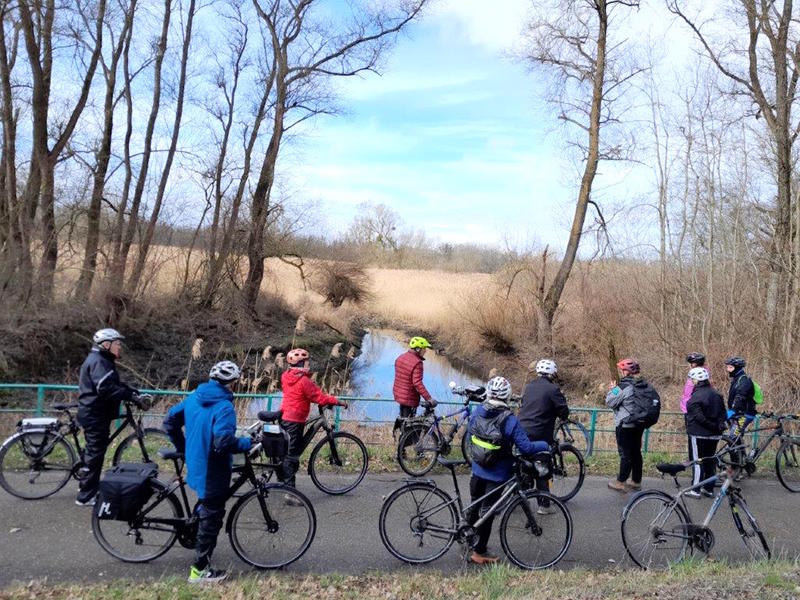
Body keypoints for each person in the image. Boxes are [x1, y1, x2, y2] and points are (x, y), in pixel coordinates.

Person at [163, 360, 252, 584]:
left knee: (206, 505)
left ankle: (197, 528)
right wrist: (246, 443)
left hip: (196, 463)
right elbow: (223, 442)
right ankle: (199, 571)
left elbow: (169, 420)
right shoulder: (224, 407)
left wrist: (183, 447)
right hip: (213, 470)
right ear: (232, 384)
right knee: (213, 517)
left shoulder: (194, 396)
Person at [466, 376, 549, 564]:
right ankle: (479, 552)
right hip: (497, 473)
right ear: (507, 395)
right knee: (487, 514)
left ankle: (467, 539)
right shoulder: (509, 419)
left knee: (475, 505)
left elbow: (470, 432)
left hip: (477, 468)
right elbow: (526, 447)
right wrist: (545, 445)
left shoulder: (478, 410)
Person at [76, 328, 141, 506]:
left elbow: (113, 383)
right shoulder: (99, 361)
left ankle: (87, 483)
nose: (120, 347)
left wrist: (129, 391)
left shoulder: (102, 360)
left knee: (94, 452)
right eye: (117, 344)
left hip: (95, 413)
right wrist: (129, 396)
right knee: (95, 454)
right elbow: (106, 388)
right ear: (106, 344)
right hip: (95, 414)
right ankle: (85, 496)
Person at [278, 348, 348, 493]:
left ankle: (280, 478)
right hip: (295, 420)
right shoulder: (304, 381)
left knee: (287, 451)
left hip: (285, 415)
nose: (309, 364)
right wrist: (338, 401)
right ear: (301, 364)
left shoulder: (286, 376)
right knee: (292, 456)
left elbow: (302, 395)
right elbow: (319, 397)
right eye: (306, 362)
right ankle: (289, 492)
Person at [518, 359, 569, 513]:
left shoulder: (529, 386)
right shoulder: (553, 389)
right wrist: (562, 415)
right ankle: (544, 505)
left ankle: (520, 496)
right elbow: (563, 411)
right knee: (542, 466)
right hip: (539, 432)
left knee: (525, 462)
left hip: (521, 430)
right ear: (553, 373)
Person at [605, 358, 658, 493]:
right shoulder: (645, 385)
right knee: (636, 452)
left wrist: (612, 390)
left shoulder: (623, 387)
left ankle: (620, 482)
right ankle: (636, 481)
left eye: (622, 370)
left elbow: (610, 402)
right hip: (639, 424)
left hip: (625, 425)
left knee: (625, 453)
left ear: (625, 372)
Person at [685, 367, 727, 498]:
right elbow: (723, 414)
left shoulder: (695, 397)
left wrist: (711, 425)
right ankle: (708, 489)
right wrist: (717, 426)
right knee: (710, 461)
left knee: (697, 461)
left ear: (696, 380)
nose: (691, 381)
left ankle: (695, 489)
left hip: (698, 433)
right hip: (714, 435)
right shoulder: (717, 395)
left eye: (692, 379)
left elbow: (698, 417)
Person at [392, 336, 437, 436]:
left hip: (399, 395)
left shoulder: (400, 357)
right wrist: (429, 398)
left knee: (404, 423)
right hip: (409, 398)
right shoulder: (417, 363)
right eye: (424, 348)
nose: (425, 351)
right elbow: (417, 383)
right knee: (409, 427)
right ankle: (406, 443)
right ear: (418, 349)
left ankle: (402, 443)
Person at [724, 356, 756, 468]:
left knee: (732, 438)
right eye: (727, 367)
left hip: (744, 414)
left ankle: (736, 468)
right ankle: (743, 464)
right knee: (737, 439)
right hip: (738, 413)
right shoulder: (737, 379)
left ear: (737, 368)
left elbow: (740, 396)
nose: (728, 370)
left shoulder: (744, 380)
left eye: (730, 367)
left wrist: (733, 410)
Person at [682, 352, 709, 462]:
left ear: (695, 363)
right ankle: (693, 458)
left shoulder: (699, 376)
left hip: (692, 409)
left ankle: (695, 459)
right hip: (688, 408)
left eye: (691, 363)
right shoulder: (696, 374)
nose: (690, 365)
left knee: (694, 435)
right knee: (692, 435)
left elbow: (691, 393)